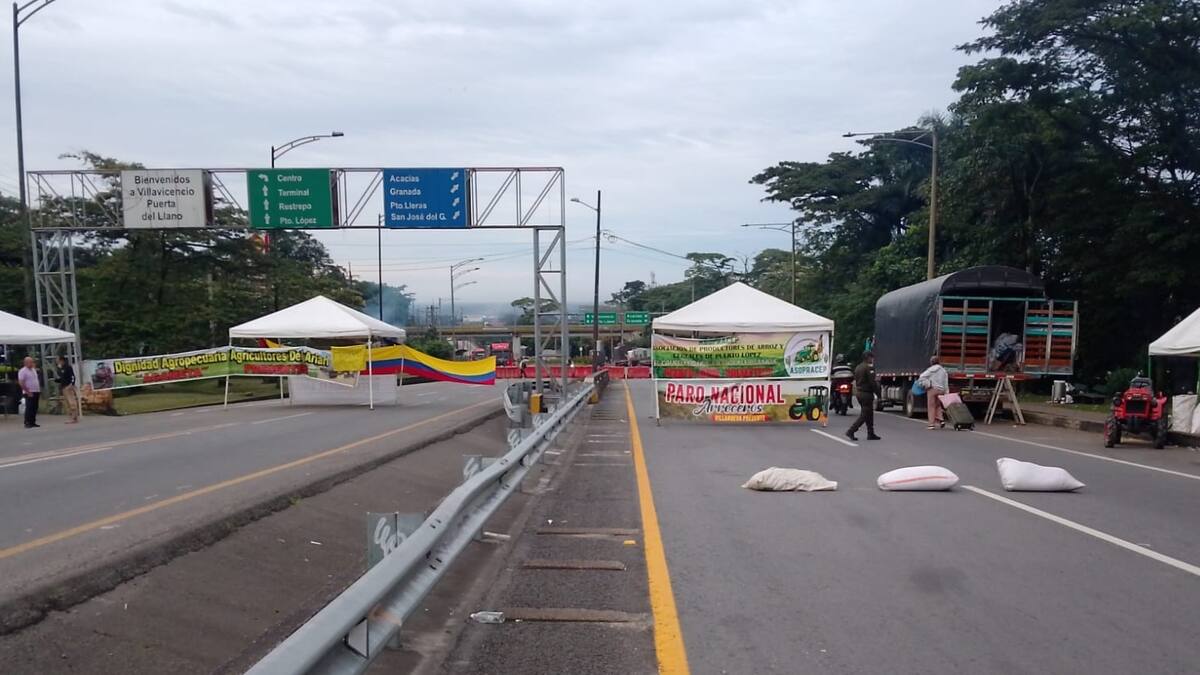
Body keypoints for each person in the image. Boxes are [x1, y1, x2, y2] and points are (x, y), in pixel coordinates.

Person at [846, 351, 881, 441]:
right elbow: (872, 382)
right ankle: (851, 431)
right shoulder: (869, 367)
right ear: (868, 358)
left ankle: (871, 433)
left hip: (859, 392)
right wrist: (878, 393)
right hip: (866, 394)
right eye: (872, 358)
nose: (872, 360)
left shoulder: (858, 367)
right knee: (865, 415)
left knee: (869, 413)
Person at [918, 355, 949, 430]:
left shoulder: (930, 370)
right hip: (941, 390)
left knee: (931, 406)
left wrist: (926, 384)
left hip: (932, 389)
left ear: (931, 362)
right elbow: (946, 382)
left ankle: (931, 424)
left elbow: (922, 376)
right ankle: (941, 420)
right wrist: (946, 392)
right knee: (938, 405)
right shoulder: (943, 370)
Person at [18, 356, 41, 429]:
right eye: (30, 362)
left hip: (36, 391)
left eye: (32, 362)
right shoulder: (23, 371)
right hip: (29, 391)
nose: (32, 363)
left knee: (35, 407)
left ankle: (32, 421)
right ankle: (27, 422)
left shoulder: (33, 370)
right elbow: (21, 382)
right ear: (26, 363)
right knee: (29, 407)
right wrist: (27, 391)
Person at [56, 354, 79, 424]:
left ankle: (74, 417)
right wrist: (58, 380)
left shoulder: (68, 367)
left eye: (57, 360)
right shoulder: (60, 368)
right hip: (63, 387)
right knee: (67, 403)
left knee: (72, 402)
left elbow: (72, 377)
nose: (57, 361)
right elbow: (62, 378)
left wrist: (71, 385)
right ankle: (71, 417)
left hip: (68, 387)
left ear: (61, 360)